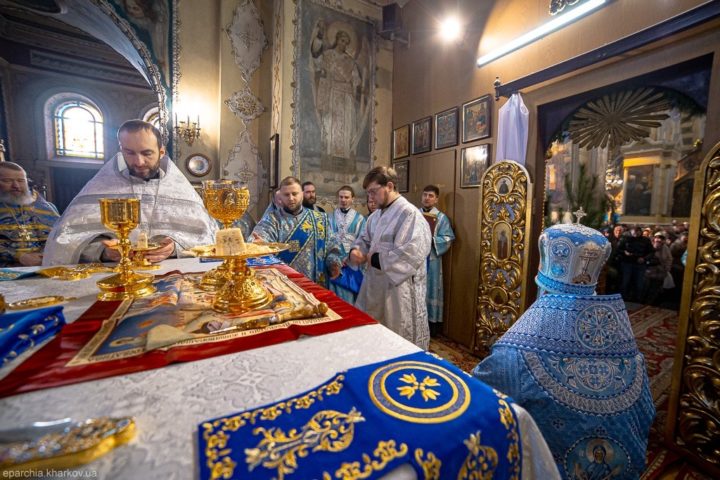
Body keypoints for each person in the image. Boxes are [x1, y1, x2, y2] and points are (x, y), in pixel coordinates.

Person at [472, 219, 654, 478]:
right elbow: (646, 415)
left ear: (542, 281)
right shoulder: (631, 354)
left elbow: (479, 403)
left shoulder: (514, 354)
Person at [43, 120, 217, 266]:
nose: (138, 162)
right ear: (121, 151)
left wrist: (175, 248)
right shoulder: (100, 188)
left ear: (161, 152)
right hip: (115, 276)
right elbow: (64, 243)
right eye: (130, 153)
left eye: (147, 153)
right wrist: (103, 251)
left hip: (170, 275)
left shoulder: (181, 191)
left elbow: (207, 240)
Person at [349, 166, 431, 349]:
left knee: (397, 342)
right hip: (374, 286)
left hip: (398, 292)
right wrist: (356, 250)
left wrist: (373, 259)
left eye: (373, 191)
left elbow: (411, 254)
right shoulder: (375, 216)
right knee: (373, 341)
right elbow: (364, 239)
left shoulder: (409, 214)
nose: (370, 198)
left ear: (390, 186)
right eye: (368, 193)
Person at [251, 176, 340, 286]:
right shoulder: (272, 220)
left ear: (302, 194)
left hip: (315, 284)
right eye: (286, 195)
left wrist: (333, 263)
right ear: (280, 197)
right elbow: (258, 238)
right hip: (284, 285)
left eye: (294, 194)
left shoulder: (320, 219)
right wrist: (258, 246)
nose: (291, 198)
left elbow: (332, 246)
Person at [310, 22, 369, 167]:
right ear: (337, 39)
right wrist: (319, 37)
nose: (344, 45)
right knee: (332, 126)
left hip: (346, 96)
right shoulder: (328, 55)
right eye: (342, 41)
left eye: (346, 43)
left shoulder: (350, 61)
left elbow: (356, 79)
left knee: (346, 127)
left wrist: (361, 88)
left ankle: (344, 159)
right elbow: (316, 59)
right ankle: (330, 157)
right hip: (332, 94)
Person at [0, 162, 60, 267]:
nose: (16, 186)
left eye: (21, 181)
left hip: (44, 266)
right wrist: (19, 256)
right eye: (7, 181)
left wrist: (44, 256)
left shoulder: (47, 207)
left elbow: (59, 237)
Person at [419, 185, 455, 336]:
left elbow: (448, 238)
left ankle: (431, 325)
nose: (427, 198)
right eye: (425, 195)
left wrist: (432, 239)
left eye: (431, 196)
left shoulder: (441, 217)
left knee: (431, 288)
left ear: (436, 199)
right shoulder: (414, 214)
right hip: (416, 259)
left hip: (432, 260)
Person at [327, 186, 366, 303]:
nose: (343, 200)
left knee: (349, 297)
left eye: (346, 197)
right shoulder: (329, 217)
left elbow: (363, 241)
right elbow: (326, 239)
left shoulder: (360, 219)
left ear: (352, 199)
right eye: (341, 197)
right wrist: (334, 258)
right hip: (333, 261)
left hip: (351, 263)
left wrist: (349, 257)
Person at [616, 225, 654, 302]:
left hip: (640, 264)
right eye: (634, 231)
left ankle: (638, 300)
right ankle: (623, 299)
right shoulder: (625, 239)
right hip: (627, 262)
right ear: (631, 231)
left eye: (638, 231)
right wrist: (624, 252)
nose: (636, 233)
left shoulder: (646, 240)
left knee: (639, 283)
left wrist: (644, 258)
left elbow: (651, 252)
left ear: (640, 232)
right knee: (625, 282)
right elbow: (618, 249)